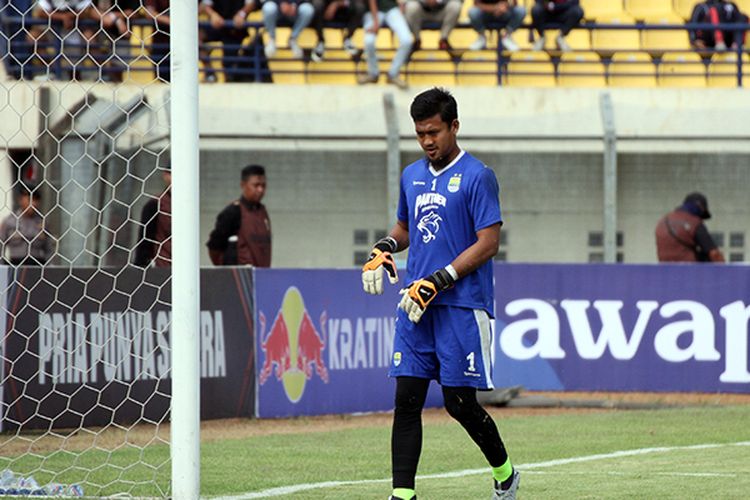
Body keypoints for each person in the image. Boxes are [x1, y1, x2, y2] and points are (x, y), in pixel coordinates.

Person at [361, 88, 518, 500]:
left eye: (434, 132)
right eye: (420, 134)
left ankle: (505, 473)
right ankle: (403, 495)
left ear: (454, 127)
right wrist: (384, 247)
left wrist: (440, 279)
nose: (428, 141)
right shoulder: (411, 176)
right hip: (417, 306)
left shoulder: (478, 176)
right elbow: (405, 229)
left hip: (461, 306)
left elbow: (488, 242)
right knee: (406, 400)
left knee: (459, 404)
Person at [206, 164, 272, 266]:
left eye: (263, 185)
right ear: (243, 185)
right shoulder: (233, 212)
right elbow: (214, 246)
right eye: (256, 185)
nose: (260, 190)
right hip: (240, 277)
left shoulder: (262, 212)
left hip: (262, 276)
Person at [357, 0, 414, 89]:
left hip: (392, 9)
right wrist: (375, 21)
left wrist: (401, 4)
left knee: (407, 40)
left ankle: (393, 74)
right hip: (372, 11)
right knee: (369, 41)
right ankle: (373, 74)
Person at [655, 192, 725, 263]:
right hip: (689, 270)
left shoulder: (663, 221)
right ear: (700, 207)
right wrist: (726, 270)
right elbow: (714, 254)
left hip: (664, 269)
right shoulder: (694, 222)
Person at [199, 0, 257, 81]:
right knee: (193, 37)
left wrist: (242, 14)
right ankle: (209, 72)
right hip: (216, 26)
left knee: (229, 66)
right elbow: (205, 4)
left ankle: (230, 80)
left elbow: (252, 3)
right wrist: (212, 14)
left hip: (235, 30)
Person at [0, 186, 53, 266]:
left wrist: (49, 269)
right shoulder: (9, 222)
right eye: (29, 200)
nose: (33, 204)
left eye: (36, 200)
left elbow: (49, 250)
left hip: (37, 266)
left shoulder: (43, 222)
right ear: (20, 200)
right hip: (15, 265)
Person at [133, 163, 172, 267]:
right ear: (165, 175)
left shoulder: (189, 208)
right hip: (161, 270)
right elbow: (144, 243)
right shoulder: (156, 204)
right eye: (172, 174)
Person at [145, 0, 171, 81]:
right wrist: (169, 21)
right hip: (160, 42)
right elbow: (149, 13)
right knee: (163, 75)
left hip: (179, 42)